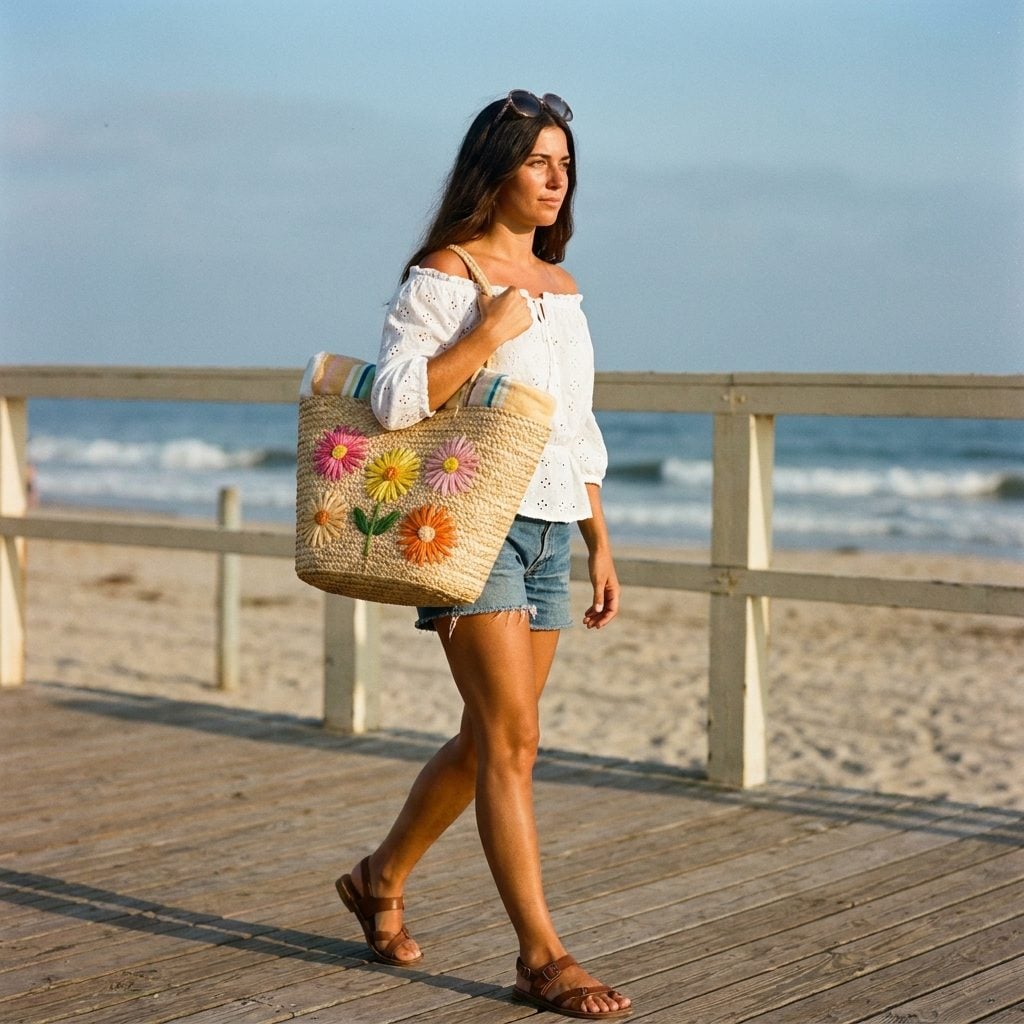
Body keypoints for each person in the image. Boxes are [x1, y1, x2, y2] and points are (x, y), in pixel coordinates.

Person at [335, 90, 632, 1020]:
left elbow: (573, 430)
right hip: (471, 526)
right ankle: (541, 958)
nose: (557, 179)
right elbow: (394, 404)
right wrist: (484, 334)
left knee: (484, 739)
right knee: (514, 741)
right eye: (540, 161)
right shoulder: (445, 272)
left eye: (566, 164)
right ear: (494, 168)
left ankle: (377, 879)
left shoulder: (565, 288)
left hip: (550, 531)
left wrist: (599, 541)